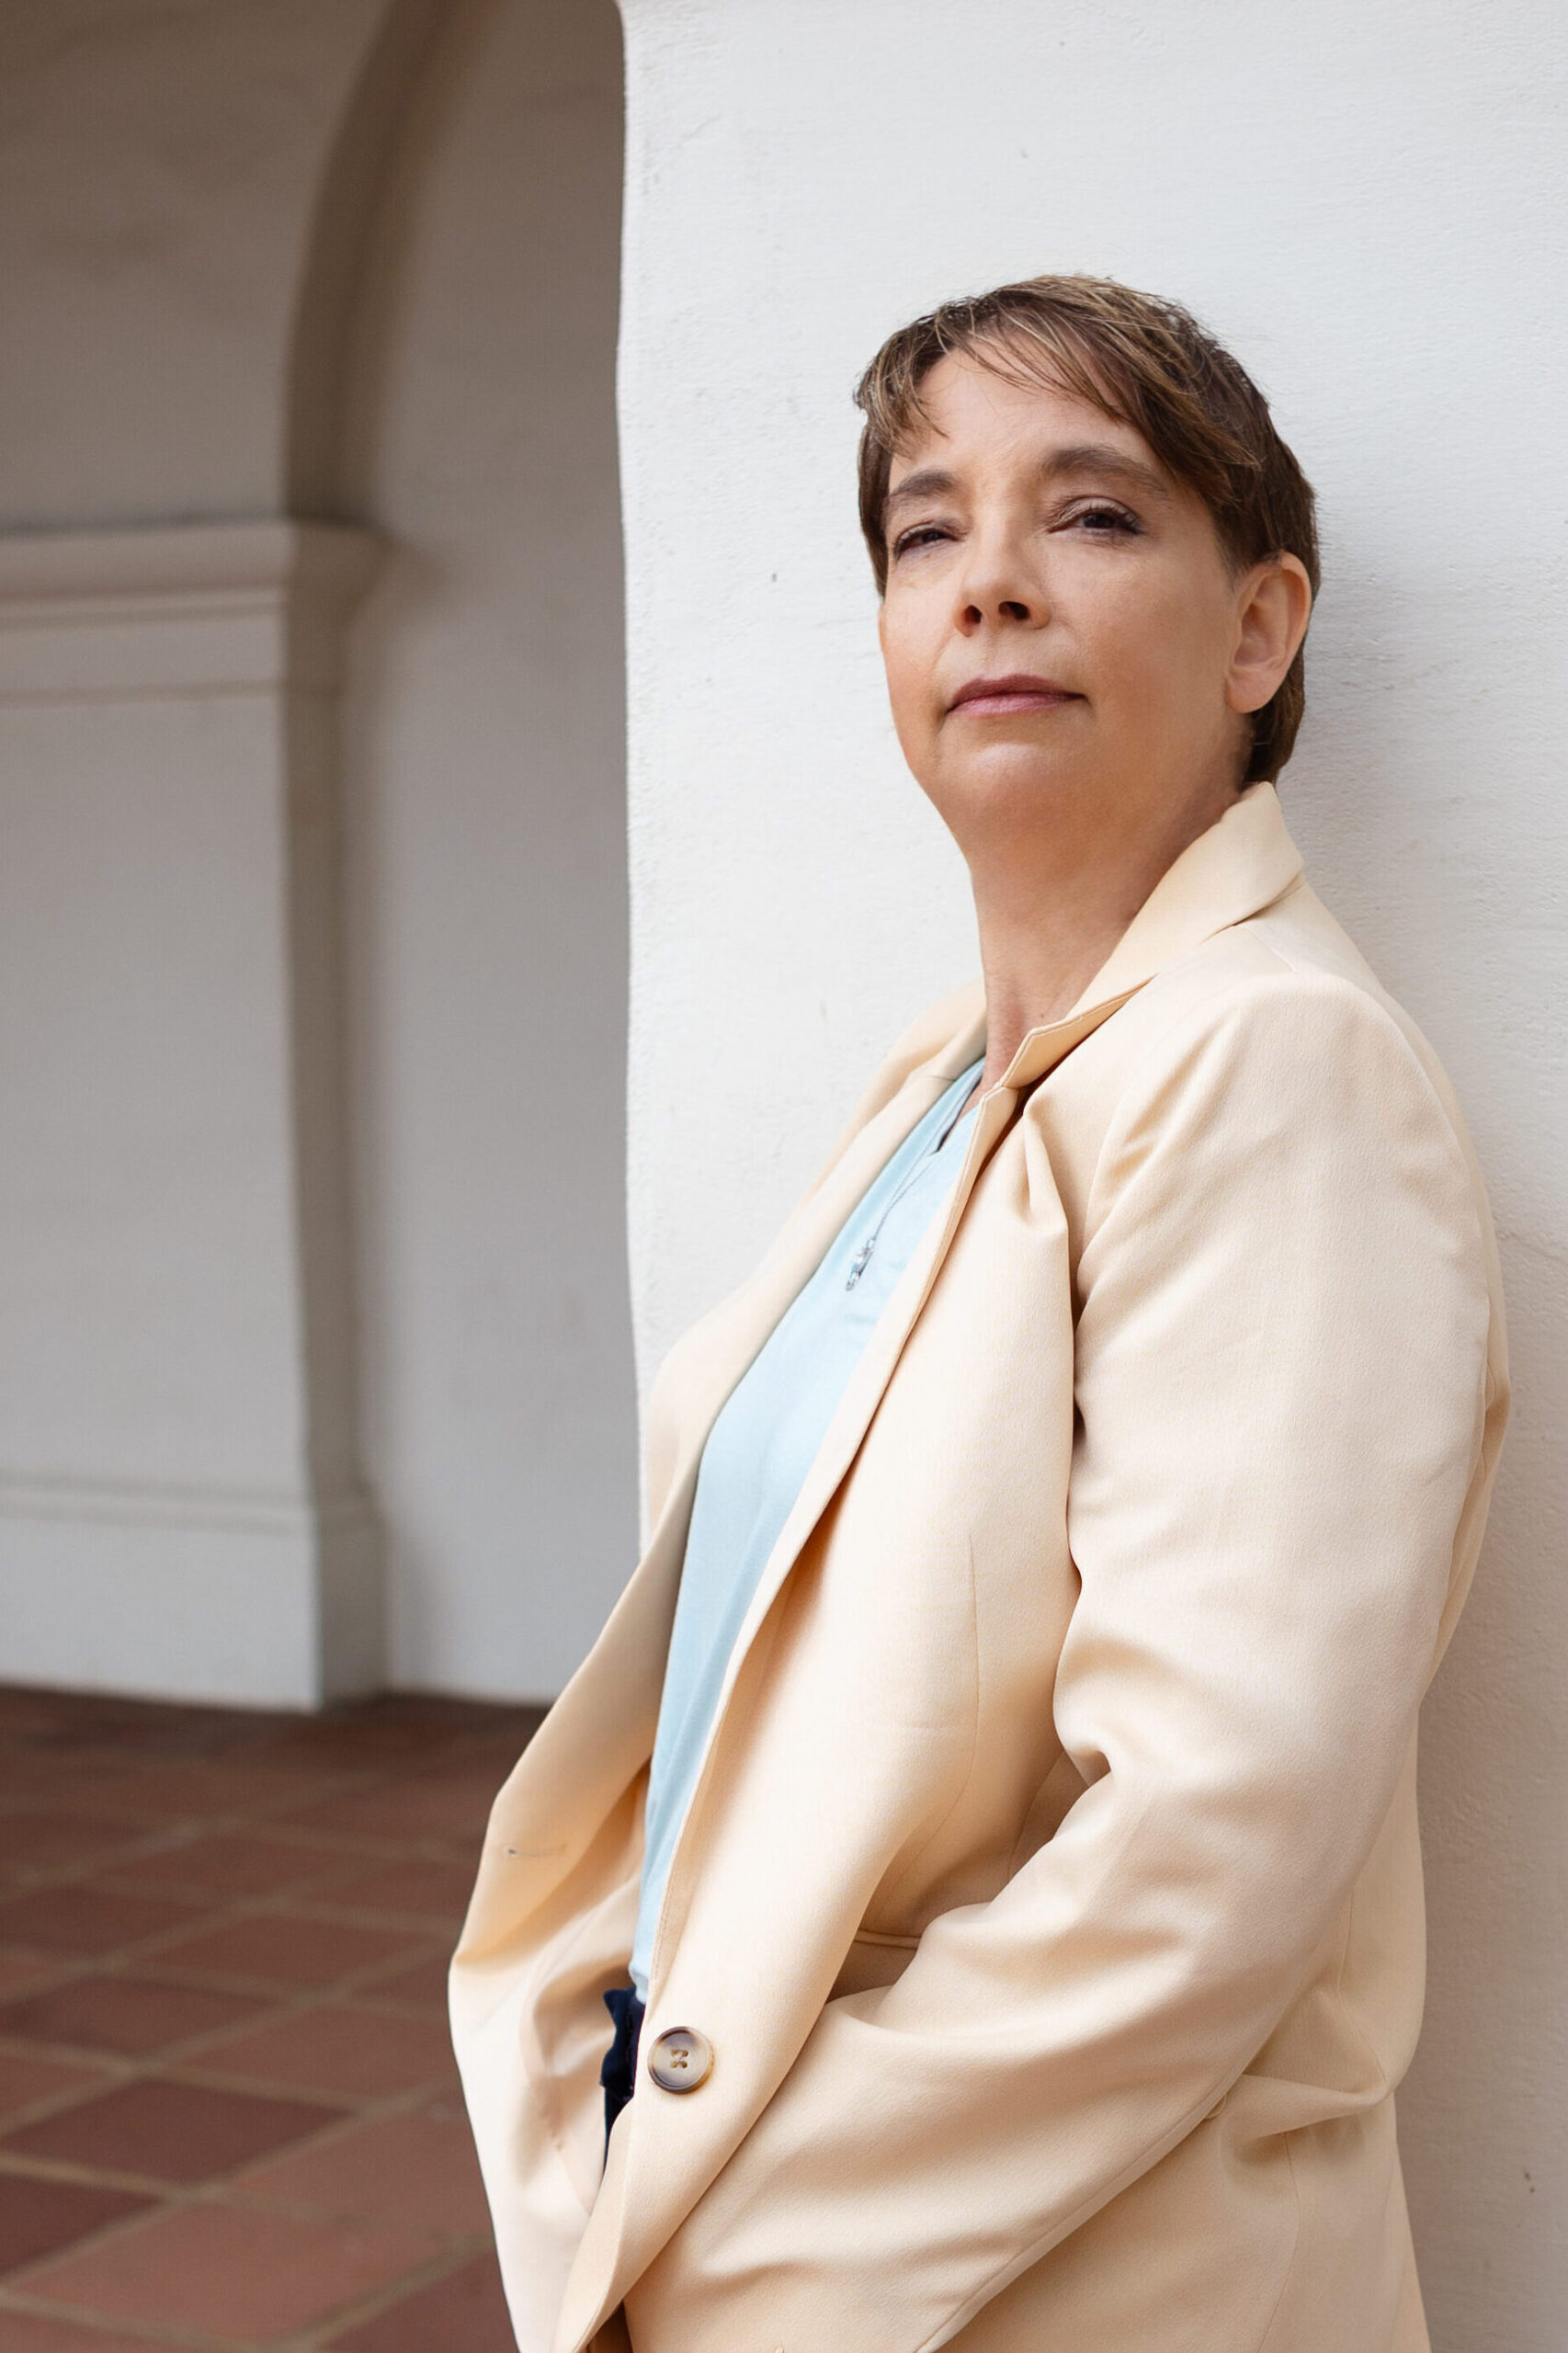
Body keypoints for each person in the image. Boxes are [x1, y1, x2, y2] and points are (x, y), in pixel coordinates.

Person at [451, 275, 1508, 2353]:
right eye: (927, 528)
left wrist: (725, 2254)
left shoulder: (1271, 1061)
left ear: (1258, 628)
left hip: (1060, 2281)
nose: (991, 584)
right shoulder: (946, 1079)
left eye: (1092, 515)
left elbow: (1206, 1848)